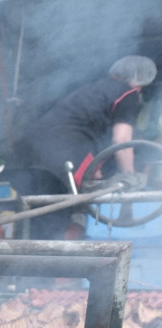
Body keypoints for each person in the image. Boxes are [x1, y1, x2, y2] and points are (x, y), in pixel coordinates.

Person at [10, 55, 156, 239]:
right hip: (61, 151)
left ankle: (31, 258)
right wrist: (130, 178)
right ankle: (63, 257)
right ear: (139, 79)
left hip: (27, 152)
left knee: (40, 214)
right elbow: (122, 141)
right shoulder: (128, 94)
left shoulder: (96, 89)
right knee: (79, 202)